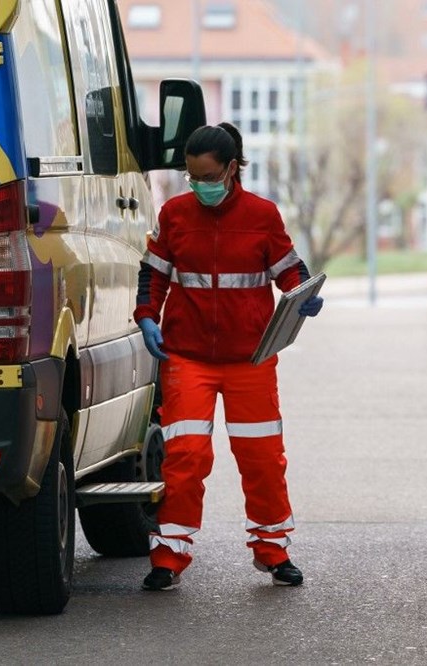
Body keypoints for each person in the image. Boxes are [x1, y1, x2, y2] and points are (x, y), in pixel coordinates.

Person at [133, 123, 323, 591]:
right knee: (185, 456)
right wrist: (146, 315)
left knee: (261, 457)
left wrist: (303, 294)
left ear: (232, 169)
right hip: (188, 357)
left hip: (251, 359)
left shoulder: (262, 214)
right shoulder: (173, 215)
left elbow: (288, 269)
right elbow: (153, 273)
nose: (201, 187)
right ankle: (169, 555)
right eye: (193, 177)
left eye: (209, 177)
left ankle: (273, 550)